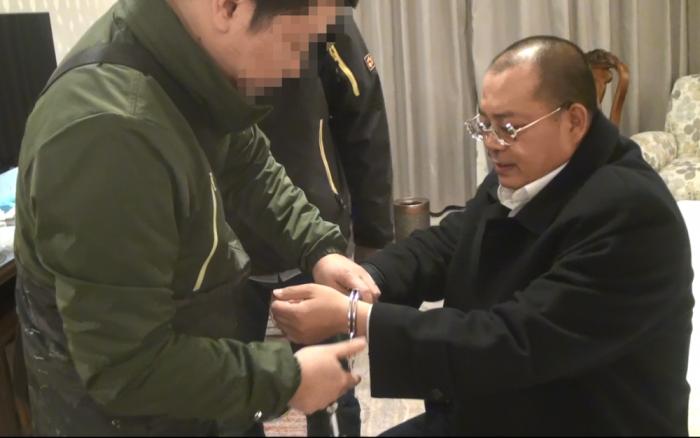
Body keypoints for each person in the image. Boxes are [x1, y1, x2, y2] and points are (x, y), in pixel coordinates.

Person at [271, 35, 695, 435]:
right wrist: (367, 279)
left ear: (575, 121)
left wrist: (356, 317)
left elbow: (514, 341)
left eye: (509, 127)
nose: (492, 143)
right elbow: (448, 243)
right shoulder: (531, 170)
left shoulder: (631, 213)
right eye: (485, 124)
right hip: (499, 408)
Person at [13, 0, 382, 435]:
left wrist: (317, 247)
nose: (294, 69)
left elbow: (248, 165)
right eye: (295, 43)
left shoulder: (185, 61)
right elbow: (128, 368)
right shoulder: (110, 133)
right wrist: (287, 379)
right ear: (229, 6)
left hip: (194, 382)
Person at [229, 2, 392, 435]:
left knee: (330, 385)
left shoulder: (324, 16)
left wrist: (375, 233)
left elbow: (364, 119)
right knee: (233, 393)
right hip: (226, 244)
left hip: (312, 231)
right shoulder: (200, 29)